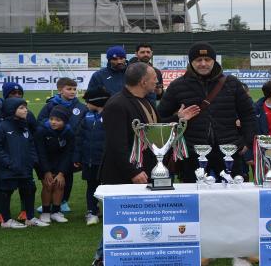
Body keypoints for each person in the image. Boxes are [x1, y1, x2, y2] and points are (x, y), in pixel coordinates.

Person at [92, 62, 198, 265]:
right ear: (143, 81)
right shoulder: (117, 104)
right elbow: (116, 145)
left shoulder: (145, 101)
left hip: (143, 172)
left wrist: (178, 118)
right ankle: (101, 258)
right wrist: (133, 171)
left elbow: (155, 128)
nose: (157, 81)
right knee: (117, 219)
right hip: (121, 176)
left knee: (136, 220)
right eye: (154, 78)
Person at [158, 42, 255, 183]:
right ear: (191, 62)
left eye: (207, 60)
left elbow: (248, 114)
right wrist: (178, 117)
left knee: (234, 196)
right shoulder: (177, 86)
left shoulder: (231, 83)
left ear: (214, 61)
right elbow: (159, 119)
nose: (203, 64)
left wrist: (247, 141)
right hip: (192, 153)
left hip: (229, 150)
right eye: (198, 60)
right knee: (193, 199)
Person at [0, 98, 48, 228]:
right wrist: (8, 163)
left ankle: (30, 217)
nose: (25, 110)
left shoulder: (25, 125)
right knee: (6, 191)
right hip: (9, 168)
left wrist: (32, 160)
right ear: (11, 110)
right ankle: (6, 220)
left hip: (25, 168)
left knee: (30, 189)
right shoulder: (2, 127)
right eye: (21, 108)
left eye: (25, 107)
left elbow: (31, 144)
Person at [37, 77, 87, 214]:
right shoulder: (50, 105)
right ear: (60, 90)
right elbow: (40, 121)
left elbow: (84, 127)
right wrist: (54, 129)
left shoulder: (81, 107)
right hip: (51, 147)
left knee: (66, 175)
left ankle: (63, 201)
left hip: (70, 148)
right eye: (69, 89)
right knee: (49, 177)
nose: (72, 92)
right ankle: (48, 204)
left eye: (74, 89)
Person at [73, 87, 110, 226]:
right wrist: (77, 157)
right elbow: (79, 138)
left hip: (105, 161)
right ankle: (92, 212)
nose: (86, 104)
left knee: (107, 187)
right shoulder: (87, 116)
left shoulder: (110, 116)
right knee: (91, 187)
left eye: (88, 101)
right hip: (89, 161)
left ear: (97, 102)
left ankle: (110, 211)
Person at [35, 106, 74, 224]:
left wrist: (61, 172)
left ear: (65, 121)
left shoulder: (69, 132)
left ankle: (56, 212)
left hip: (60, 163)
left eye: (58, 120)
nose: (53, 122)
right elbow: (40, 152)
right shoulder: (41, 130)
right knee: (48, 185)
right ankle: (46, 212)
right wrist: (46, 171)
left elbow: (68, 153)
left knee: (59, 185)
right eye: (51, 118)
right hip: (43, 162)